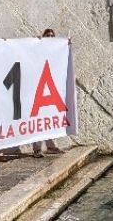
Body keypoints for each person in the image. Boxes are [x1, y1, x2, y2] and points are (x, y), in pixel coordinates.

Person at [32, 28, 66, 158]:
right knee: (37, 118)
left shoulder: (56, 50)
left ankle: (51, 146)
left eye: (52, 35)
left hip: (50, 87)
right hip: (39, 86)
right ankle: (37, 149)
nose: (50, 37)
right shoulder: (39, 48)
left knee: (50, 118)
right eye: (48, 35)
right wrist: (35, 42)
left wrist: (66, 45)